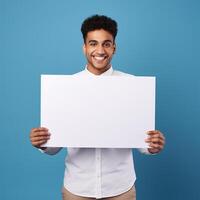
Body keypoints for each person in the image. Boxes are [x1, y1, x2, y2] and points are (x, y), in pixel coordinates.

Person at [30, 15, 165, 200]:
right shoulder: (67, 87)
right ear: (84, 47)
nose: (100, 50)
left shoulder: (132, 85)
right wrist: (42, 142)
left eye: (106, 44)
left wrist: (153, 145)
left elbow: (140, 142)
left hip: (121, 189)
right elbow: (55, 147)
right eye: (93, 43)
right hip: (77, 189)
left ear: (114, 48)